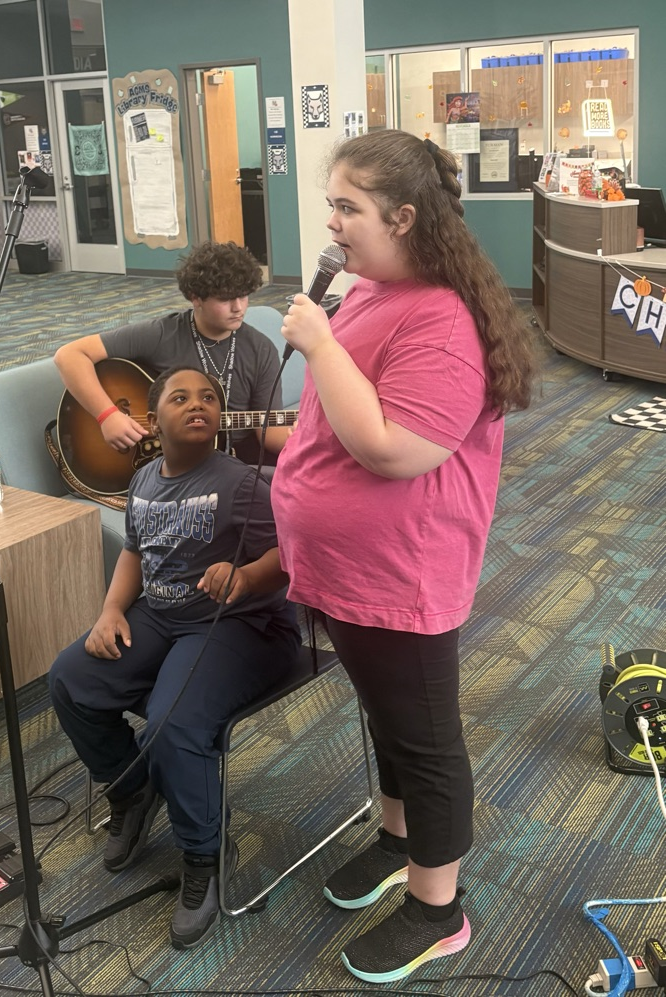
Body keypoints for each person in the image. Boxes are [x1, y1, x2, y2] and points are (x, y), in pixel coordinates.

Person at [271, 129, 535, 984]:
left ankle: (437, 909)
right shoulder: (374, 291)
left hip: (401, 575)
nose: (332, 223)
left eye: (348, 207)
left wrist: (319, 345)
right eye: (333, 205)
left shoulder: (444, 322)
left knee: (424, 741)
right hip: (347, 570)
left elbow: (393, 448)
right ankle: (397, 840)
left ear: (404, 217)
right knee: (385, 717)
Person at [48, 366, 300, 950]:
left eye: (208, 397)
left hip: (239, 623)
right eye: (180, 397)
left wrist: (246, 575)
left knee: (173, 722)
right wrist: (111, 611)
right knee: (71, 678)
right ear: (152, 419)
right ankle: (131, 789)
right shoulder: (143, 480)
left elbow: (293, 553)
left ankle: (204, 855)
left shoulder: (242, 484)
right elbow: (135, 552)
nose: (197, 404)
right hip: (161, 615)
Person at [53, 241, 291, 468]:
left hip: (235, 457)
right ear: (196, 298)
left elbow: (269, 432)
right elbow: (69, 355)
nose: (238, 307)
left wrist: (300, 435)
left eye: (244, 296)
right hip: (170, 458)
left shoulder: (261, 349)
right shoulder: (161, 334)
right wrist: (108, 416)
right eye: (226, 299)